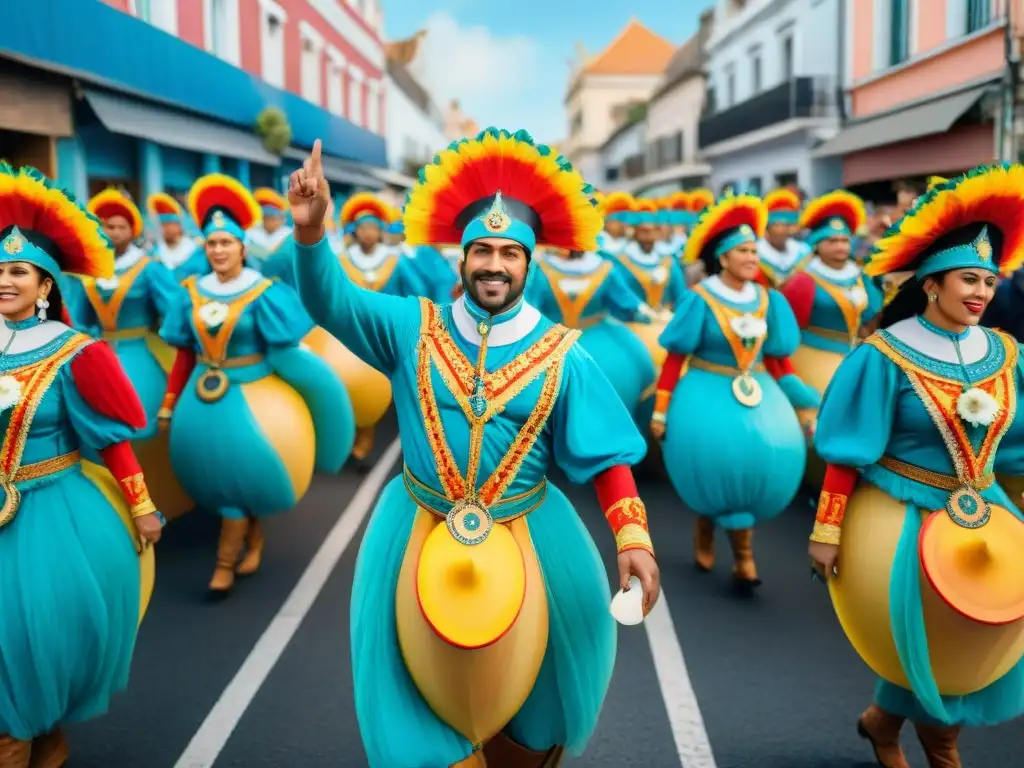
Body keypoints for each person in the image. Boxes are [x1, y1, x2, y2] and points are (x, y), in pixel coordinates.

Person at [288, 130, 660, 767]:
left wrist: (633, 540)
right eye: (481, 251)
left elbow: (608, 457)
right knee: (408, 692)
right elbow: (331, 301)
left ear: (529, 263)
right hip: (417, 520)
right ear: (461, 260)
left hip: (530, 523)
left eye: (509, 253)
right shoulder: (412, 326)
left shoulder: (563, 353)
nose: (494, 264)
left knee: (552, 695)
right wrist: (311, 232)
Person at [808, 165, 1024, 768]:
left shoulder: (1008, 354)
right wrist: (828, 529)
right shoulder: (885, 355)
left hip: (989, 515)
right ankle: (943, 750)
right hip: (902, 515)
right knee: (933, 635)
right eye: (967, 279)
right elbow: (847, 449)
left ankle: (882, 721)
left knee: (970, 639)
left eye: (989, 280)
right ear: (931, 284)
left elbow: (1019, 447)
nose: (981, 292)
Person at [0, 163, 163, 767]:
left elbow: (113, 441)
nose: (5, 280)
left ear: (45, 286)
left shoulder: (76, 352)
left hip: (53, 514)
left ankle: (32, 736)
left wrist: (142, 506)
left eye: (18, 271)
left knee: (32, 637)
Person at [157, 173, 353, 594]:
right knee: (223, 479)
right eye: (211, 243)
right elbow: (184, 356)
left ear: (242, 248)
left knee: (238, 479)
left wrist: (320, 389)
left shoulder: (263, 291)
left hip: (254, 399)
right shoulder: (190, 291)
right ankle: (254, 532)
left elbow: (284, 351)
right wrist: (170, 402)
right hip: (201, 399)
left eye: (226, 243)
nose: (218, 250)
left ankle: (223, 565)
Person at [651, 193, 815, 588]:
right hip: (705, 394)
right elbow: (676, 357)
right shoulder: (700, 298)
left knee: (752, 466)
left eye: (754, 250)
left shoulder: (769, 299)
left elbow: (778, 360)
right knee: (714, 465)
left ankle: (744, 556)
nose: (752, 258)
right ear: (723, 258)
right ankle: (706, 529)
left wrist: (803, 404)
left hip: (759, 394)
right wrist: (660, 408)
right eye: (743, 250)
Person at [781, 190, 884, 486]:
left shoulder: (859, 274)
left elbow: (870, 314)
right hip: (812, 352)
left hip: (854, 352)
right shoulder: (804, 280)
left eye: (843, 240)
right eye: (832, 241)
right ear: (817, 245)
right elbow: (790, 327)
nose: (840, 246)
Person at [757, 188, 810, 288]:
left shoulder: (803, 252)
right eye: (777, 225)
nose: (783, 229)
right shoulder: (755, 252)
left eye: (787, 225)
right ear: (767, 227)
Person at [245, 187, 293, 272]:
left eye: (275, 218)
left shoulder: (289, 234)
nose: (272, 222)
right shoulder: (251, 233)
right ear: (263, 219)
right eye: (269, 218)